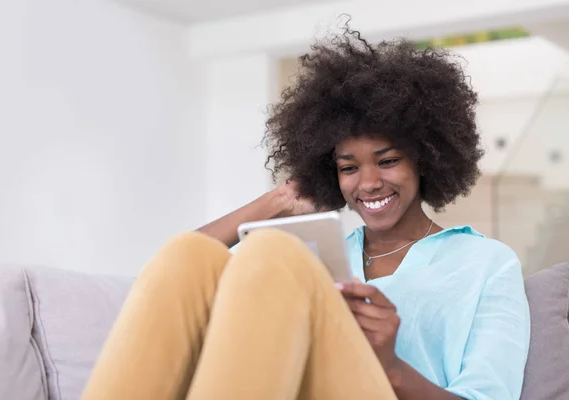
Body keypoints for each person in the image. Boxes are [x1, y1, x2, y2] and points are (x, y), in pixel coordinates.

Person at [82, 26, 530, 400]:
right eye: (348, 168)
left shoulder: (488, 264)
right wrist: (276, 203)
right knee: (189, 253)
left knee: (276, 254)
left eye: (388, 160)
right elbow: (168, 286)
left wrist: (391, 367)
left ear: (426, 158)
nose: (368, 182)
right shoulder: (320, 249)